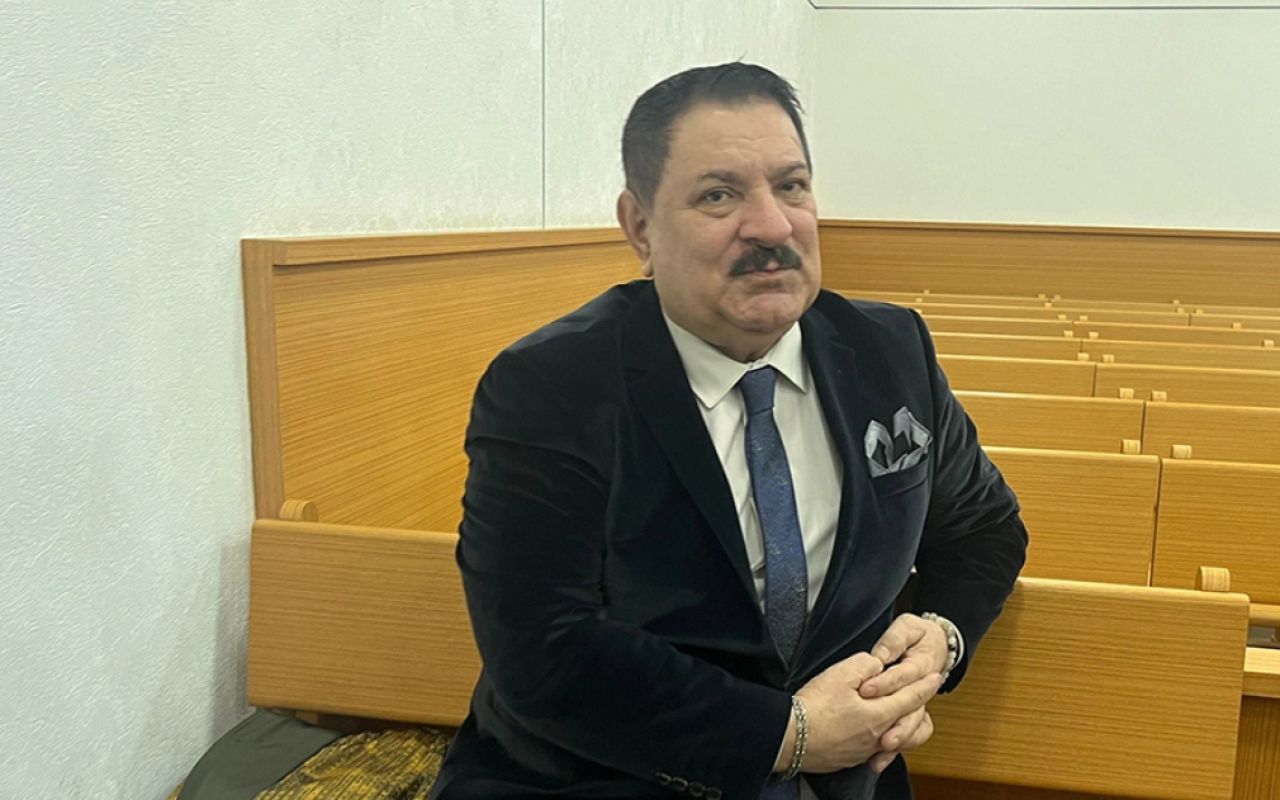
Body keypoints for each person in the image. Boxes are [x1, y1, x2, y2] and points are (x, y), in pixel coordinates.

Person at [429, 62, 1027, 800]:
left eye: (791, 185)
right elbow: (542, 648)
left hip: (847, 783)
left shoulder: (890, 351)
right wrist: (789, 734)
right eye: (719, 195)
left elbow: (985, 527)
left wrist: (939, 638)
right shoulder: (550, 385)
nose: (772, 226)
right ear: (640, 227)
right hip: (605, 780)